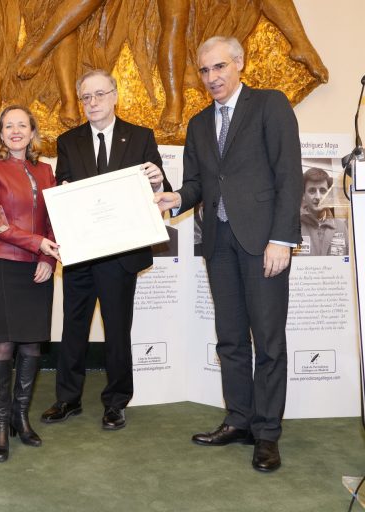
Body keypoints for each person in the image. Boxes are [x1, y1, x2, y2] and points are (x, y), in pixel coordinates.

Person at [155, 36, 302, 472]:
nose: (212, 77)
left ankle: (267, 433)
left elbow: (288, 175)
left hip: (263, 244)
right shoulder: (199, 123)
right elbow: (199, 183)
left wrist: (282, 238)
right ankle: (239, 420)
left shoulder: (270, 105)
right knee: (231, 340)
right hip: (218, 245)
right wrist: (175, 198)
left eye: (219, 67)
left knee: (269, 343)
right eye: (204, 71)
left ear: (239, 64)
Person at [41, 69, 170, 430]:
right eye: (86, 97)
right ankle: (67, 399)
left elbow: (158, 186)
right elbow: (64, 190)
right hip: (81, 253)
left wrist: (159, 178)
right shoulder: (68, 141)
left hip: (121, 256)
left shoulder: (141, 137)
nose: (93, 103)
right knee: (73, 328)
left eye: (100, 95)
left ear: (115, 96)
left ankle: (116, 402)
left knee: (117, 331)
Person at [0, 106, 61, 462]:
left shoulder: (46, 170)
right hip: (2, 266)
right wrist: (36, 244)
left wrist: (47, 258)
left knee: (32, 346)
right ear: (0, 132)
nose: (14, 131)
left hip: (38, 269)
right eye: (8, 125)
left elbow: (56, 220)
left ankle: (20, 417)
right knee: (3, 345)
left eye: (21, 125)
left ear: (32, 131)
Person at [298, 168, 348, 256]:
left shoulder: (341, 227)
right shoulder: (293, 227)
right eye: (312, 191)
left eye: (323, 191)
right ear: (303, 196)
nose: (318, 197)